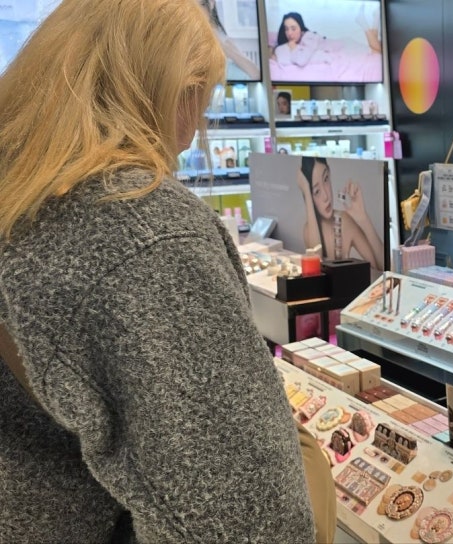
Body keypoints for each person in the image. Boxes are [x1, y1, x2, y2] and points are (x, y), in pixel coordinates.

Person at [0, 1, 332, 542]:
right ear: (172, 89)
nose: (195, 129)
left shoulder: (22, 191)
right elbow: (248, 518)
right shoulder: (142, 228)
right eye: (199, 98)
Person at [297, 156, 384, 271]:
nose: (326, 196)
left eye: (326, 179)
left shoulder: (344, 221)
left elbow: (380, 267)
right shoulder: (309, 230)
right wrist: (307, 193)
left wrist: (363, 218)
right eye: (316, 191)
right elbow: (317, 269)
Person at [201, 0, 262, 81]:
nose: (197, 11)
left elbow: (256, 74)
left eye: (202, 4)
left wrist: (224, 47)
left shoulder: (221, 37)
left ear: (212, 3)